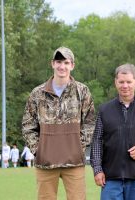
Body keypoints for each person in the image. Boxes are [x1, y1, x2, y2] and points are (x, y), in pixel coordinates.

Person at [22, 46, 96, 200]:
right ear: (52, 64)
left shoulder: (82, 91)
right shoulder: (37, 93)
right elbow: (28, 126)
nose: (62, 66)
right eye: (58, 62)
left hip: (74, 162)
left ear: (72, 65)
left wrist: (78, 146)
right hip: (46, 163)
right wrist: (39, 150)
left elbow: (90, 123)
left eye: (66, 62)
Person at [90, 63, 135, 200]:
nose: (125, 86)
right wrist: (97, 169)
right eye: (121, 82)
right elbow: (97, 141)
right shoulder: (104, 110)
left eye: (129, 82)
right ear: (115, 82)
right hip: (111, 177)